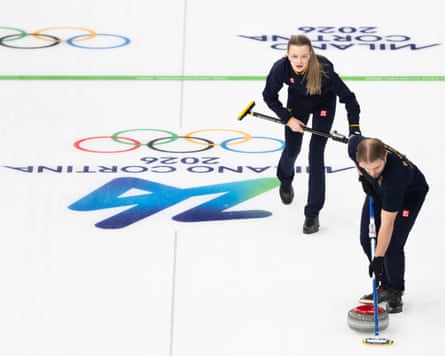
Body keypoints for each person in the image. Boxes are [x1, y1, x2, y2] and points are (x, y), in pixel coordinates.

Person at [262, 34, 361, 234]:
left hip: (324, 105)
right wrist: (287, 118)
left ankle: (312, 214)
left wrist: (354, 130)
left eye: (304, 56)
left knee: (316, 155)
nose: (299, 61)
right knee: (292, 149)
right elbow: (268, 96)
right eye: (294, 56)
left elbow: (350, 100)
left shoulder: (324, 70)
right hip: (297, 104)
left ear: (311, 55)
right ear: (287, 55)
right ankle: (285, 179)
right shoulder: (280, 68)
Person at [348, 135, 429, 313]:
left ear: (385, 156)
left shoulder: (395, 177)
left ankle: (395, 290)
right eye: (366, 167)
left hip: (408, 196)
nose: (372, 172)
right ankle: (384, 284)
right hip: (378, 191)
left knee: (391, 245)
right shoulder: (355, 147)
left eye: (376, 167)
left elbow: (387, 225)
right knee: (366, 239)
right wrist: (363, 177)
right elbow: (354, 149)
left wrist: (378, 259)